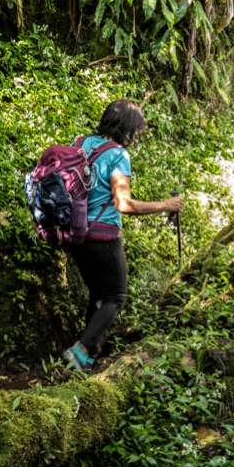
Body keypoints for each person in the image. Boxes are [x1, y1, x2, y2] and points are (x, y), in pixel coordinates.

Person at [62, 99, 184, 370]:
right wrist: (166, 204)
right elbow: (124, 204)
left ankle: (87, 352)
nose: (137, 137)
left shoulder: (81, 142)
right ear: (126, 130)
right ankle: (80, 351)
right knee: (116, 296)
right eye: (136, 132)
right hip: (102, 237)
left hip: (75, 234)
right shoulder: (118, 155)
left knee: (97, 293)